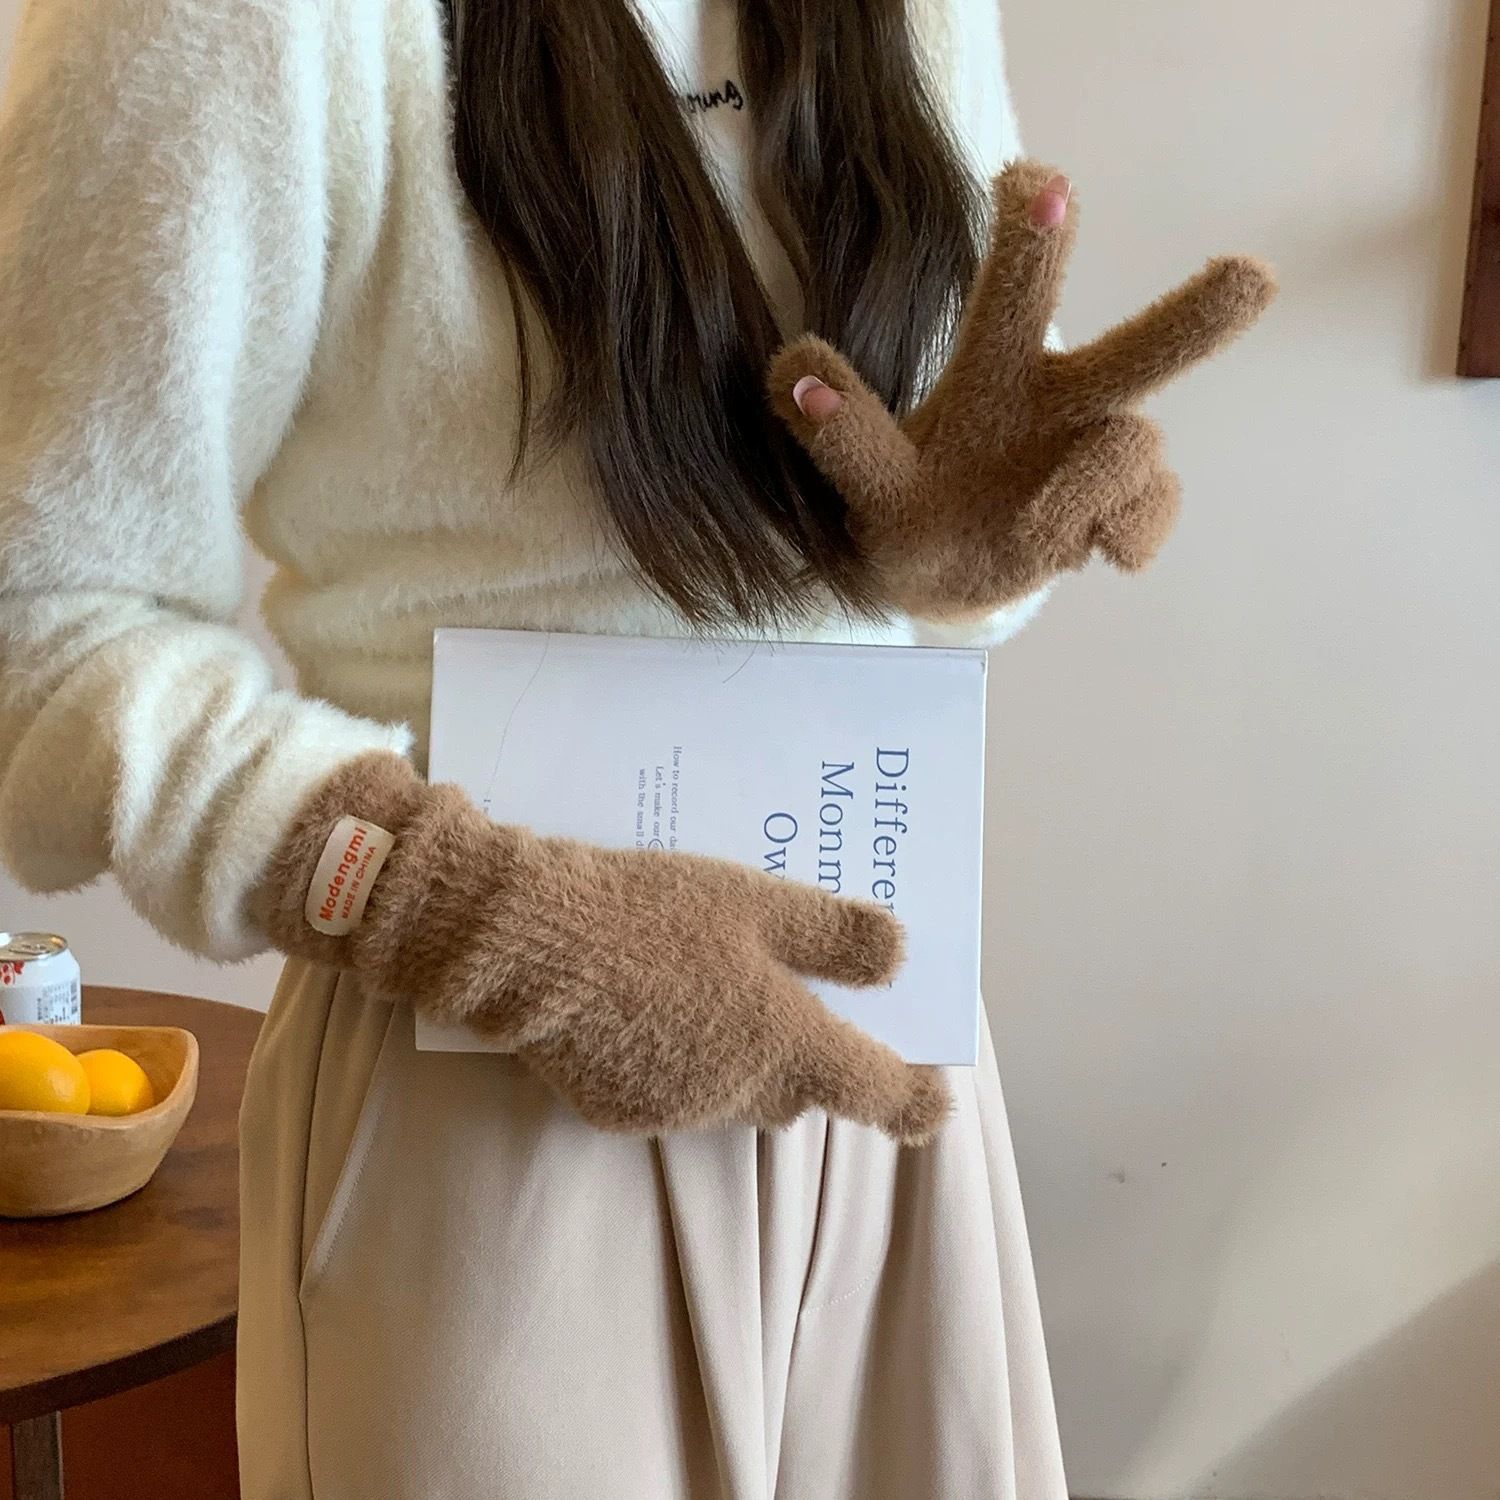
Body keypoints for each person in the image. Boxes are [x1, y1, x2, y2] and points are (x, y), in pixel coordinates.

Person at [0, 0, 1269, 1495]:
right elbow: (39, 608)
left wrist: (966, 555)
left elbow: (957, 453)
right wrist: (455, 907)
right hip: (490, 1063)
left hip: (878, 1049)